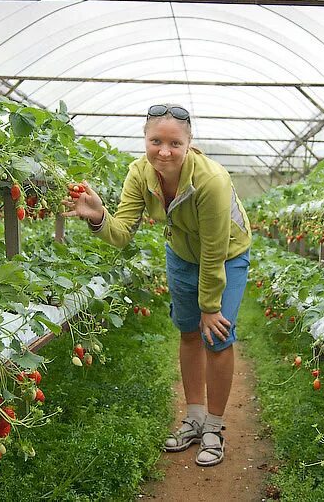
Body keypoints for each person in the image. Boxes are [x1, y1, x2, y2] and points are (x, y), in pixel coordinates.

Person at [61, 103, 251, 467]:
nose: (164, 151)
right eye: (156, 141)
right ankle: (194, 418)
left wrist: (210, 307)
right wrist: (99, 215)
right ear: (145, 140)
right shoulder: (139, 174)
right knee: (188, 332)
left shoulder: (211, 181)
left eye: (174, 143)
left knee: (217, 334)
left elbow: (213, 250)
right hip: (180, 254)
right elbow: (120, 234)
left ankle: (214, 426)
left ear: (189, 143)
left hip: (227, 254)